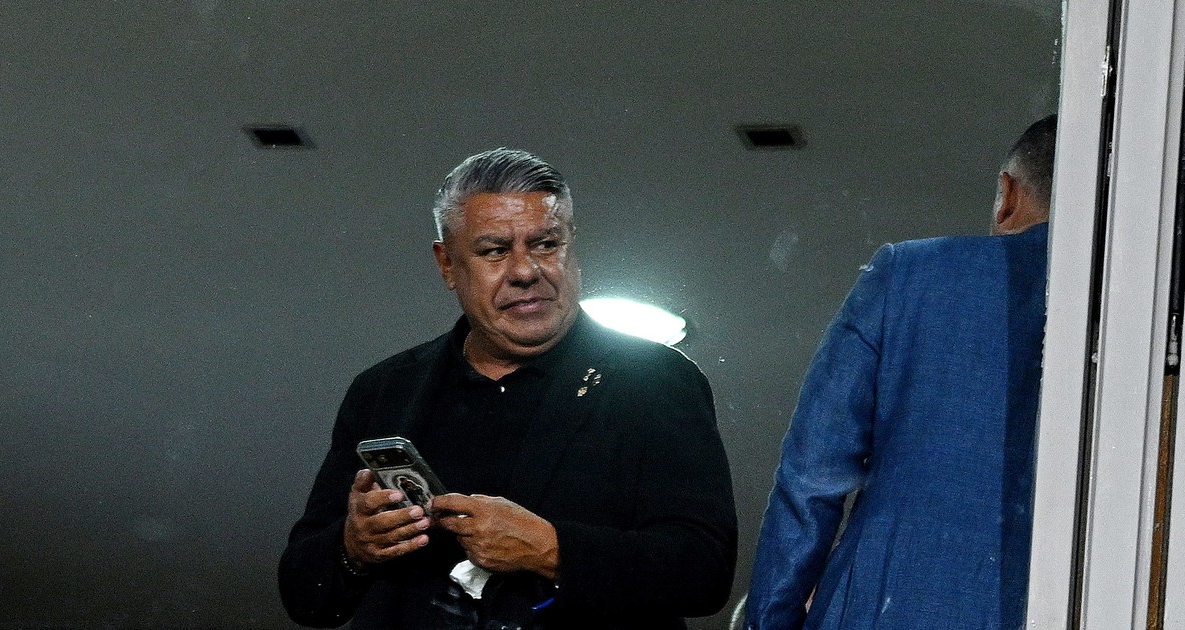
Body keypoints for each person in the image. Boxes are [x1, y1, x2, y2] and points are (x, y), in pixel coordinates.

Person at [279, 148, 738, 629]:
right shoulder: (385, 390)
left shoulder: (657, 380)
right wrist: (354, 547)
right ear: (447, 264)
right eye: (495, 251)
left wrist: (551, 550)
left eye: (546, 244)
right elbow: (302, 595)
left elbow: (705, 571)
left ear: (572, 245)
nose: (525, 271)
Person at [743, 115, 1057, 629]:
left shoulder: (910, 274)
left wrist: (769, 622)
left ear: (1007, 195)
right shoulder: (1143, 320)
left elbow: (811, 477)